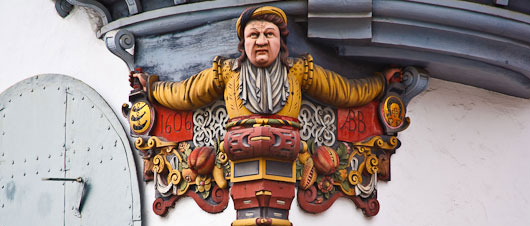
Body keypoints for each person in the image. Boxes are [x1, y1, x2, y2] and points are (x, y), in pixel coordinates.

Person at [133, 6, 400, 122]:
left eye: (269, 34)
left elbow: (342, 91)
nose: (261, 41)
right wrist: (152, 88)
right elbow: (187, 93)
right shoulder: (226, 72)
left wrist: (379, 83)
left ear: (280, 42)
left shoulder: (298, 71)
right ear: (243, 44)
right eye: (254, 35)